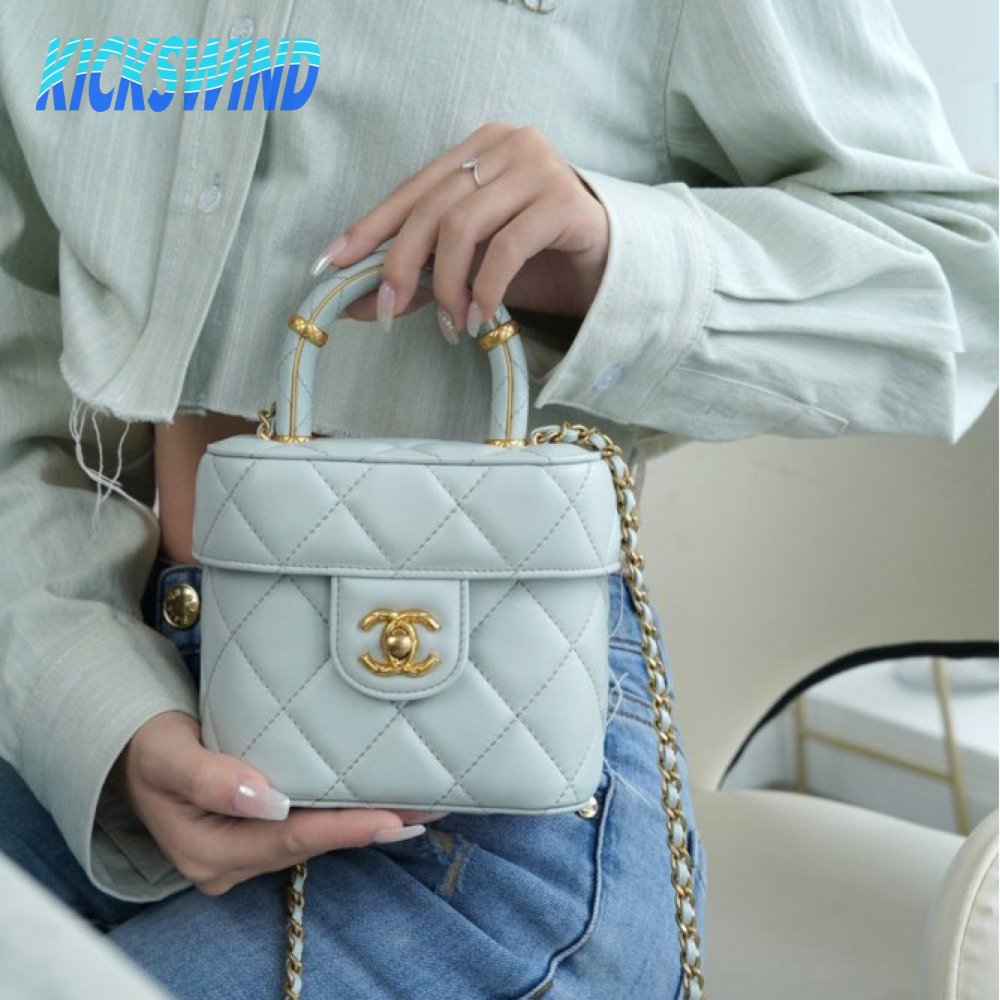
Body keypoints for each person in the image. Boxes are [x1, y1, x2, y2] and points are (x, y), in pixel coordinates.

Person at [0, 2, 996, 998]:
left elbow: (957, 281)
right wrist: (96, 708)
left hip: (491, 792)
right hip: (93, 672)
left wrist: (615, 254)